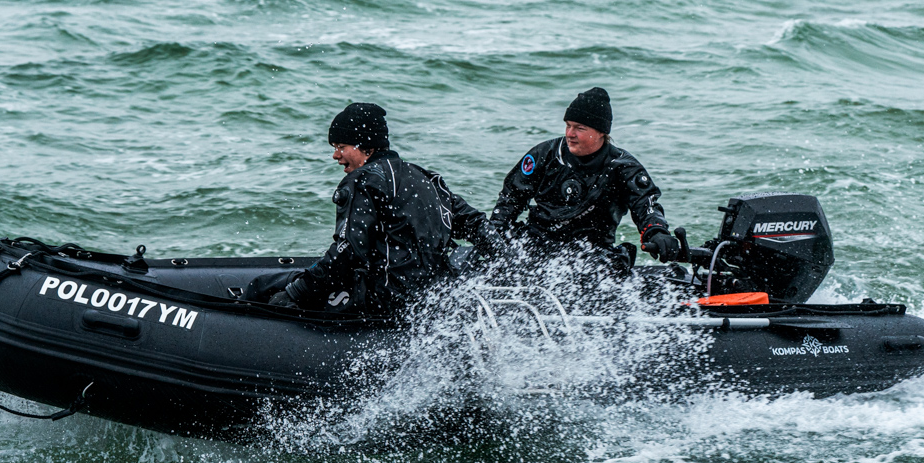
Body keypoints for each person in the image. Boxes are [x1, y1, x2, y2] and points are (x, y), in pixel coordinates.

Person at [269, 102, 499, 314]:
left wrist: (296, 292)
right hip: (435, 297)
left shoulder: (363, 180)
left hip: (387, 300)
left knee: (267, 286)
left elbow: (348, 251)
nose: (335, 155)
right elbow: (476, 224)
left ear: (365, 148)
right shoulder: (425, 178)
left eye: (341, 147)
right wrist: (503, 262)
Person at [490, 87, 680, 266]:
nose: (570, 134)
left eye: (579, 128)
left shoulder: (623, 167)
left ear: (601, 132)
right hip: (536, 245)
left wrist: (656, 231)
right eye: (568, 126)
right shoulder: (545, 154)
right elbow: (510, 198)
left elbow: (646, 205)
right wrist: (493, 239)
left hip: (591, 254)